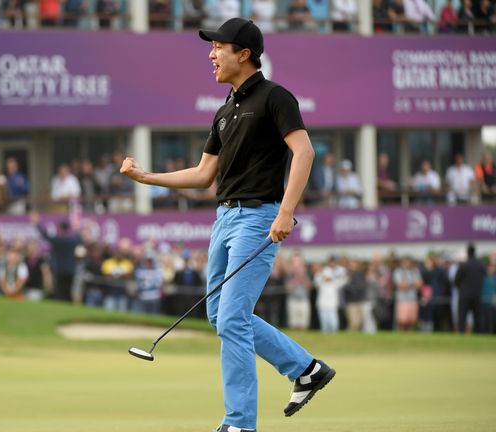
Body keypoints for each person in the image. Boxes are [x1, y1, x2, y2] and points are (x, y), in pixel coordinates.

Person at [120, 17, 333, 431]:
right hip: (225, 218)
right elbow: (203, 175)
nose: (211, 54)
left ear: (244, 54)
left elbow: (303, 152)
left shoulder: (275, 97)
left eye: (219, 47)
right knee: (221, 315)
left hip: (259, 217)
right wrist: (147, 178)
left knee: (232, 317)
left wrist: (286, 211)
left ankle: (239, 423)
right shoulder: (224, 111)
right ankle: (306, 369)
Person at [31, 212, 81, 303]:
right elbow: (79, 238)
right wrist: (77, 228)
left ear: (60, 229)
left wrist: (37, 224)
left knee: (60, 291)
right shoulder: (73, 240)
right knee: (68, 291)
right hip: (71, 270)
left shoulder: (58, 240)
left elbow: (46, 236)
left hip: (60, 270)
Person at [455, 243, 486, 333]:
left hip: (464, 295)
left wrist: (461, 288)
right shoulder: (480, 265)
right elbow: (485, 276)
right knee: (478, 317)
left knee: (462, 316)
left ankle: (461, 332)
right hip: (477, 294)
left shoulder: (463, 265)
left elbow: (456, 280)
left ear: (467, 252)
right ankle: (479, 333)